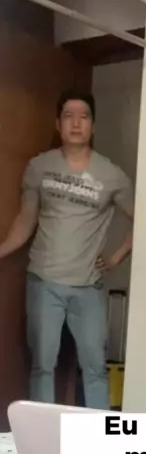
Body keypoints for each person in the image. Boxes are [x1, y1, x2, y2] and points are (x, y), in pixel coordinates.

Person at [0, 89, 134, 409]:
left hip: (88, 287)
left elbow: (143, 219)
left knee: (95, 368)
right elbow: (26, 219)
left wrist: (117, 256)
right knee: (42, 366)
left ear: (93, 125)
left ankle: (101, 433)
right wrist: (2, 250)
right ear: (58, 124)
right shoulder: (39, 167)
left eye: (83, 117)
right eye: (68, 116)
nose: (76, 123)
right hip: (43, 283)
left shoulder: (112, 175)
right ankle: (41, 434)